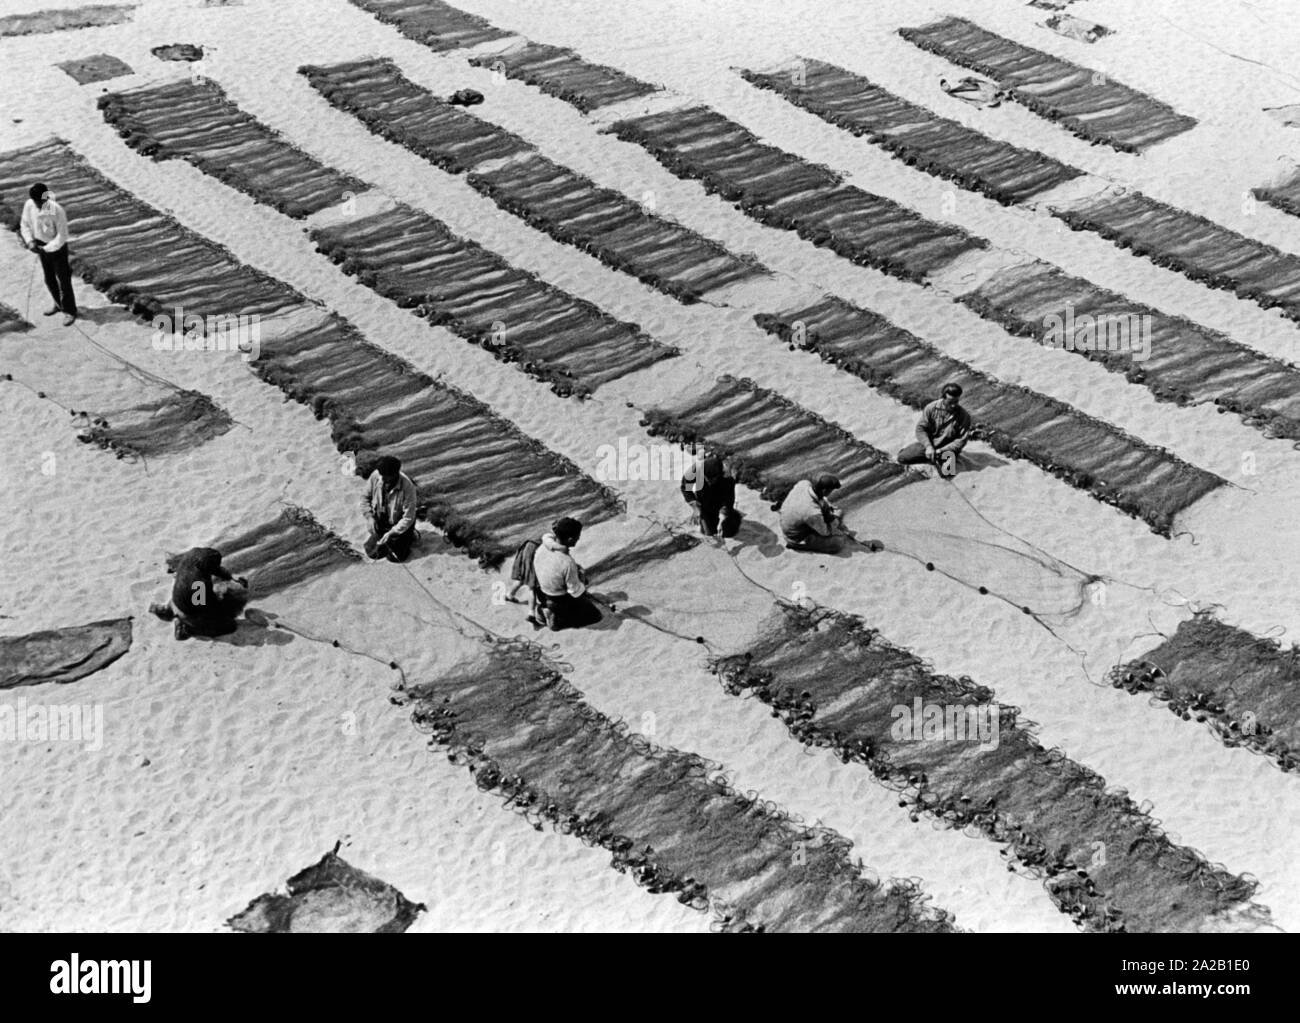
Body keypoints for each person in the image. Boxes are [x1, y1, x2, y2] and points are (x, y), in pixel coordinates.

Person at [149, 547, 249, 640]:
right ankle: (186, 628)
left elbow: (216, 569)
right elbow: (207, 609)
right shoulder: (199, 585)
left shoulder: (192, 555)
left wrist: (231, 577)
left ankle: (168, 610)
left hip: (176, 598)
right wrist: (222, 595)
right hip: (187, 610)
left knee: (185, 591)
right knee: (230, 627)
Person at [20, 182, 77, 326]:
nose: (38, 205)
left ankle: (70, 311)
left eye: (41, 202)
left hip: (57, 248)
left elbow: (62, 236)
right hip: (39, 244)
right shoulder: (29, 205)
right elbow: (24, 224)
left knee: (63, 280)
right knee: (49, 278)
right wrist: (30, 241)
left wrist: (48, 248)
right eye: (36, 202)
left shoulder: (57, 210)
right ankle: (58, 305)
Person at [531, 517, 602, 631]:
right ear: (569, 540)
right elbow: (574, 591)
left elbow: (546, 537)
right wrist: (582, 579)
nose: (578, 539)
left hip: (541, 590)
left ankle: (544, 608)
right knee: (595, 616)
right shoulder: (567, 562)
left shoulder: (544, 546)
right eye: (577, 537)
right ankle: (556, 619)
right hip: (557, 598)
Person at [897, 383, 973, 479]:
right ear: (943, 397)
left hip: (947, 450)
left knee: (948, 474)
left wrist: (941, 451)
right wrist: (928, 446)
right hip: (929, 445)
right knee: (902, 458)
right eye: (950, 402)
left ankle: (935, 459)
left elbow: (960, 441)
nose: (954, 405)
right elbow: (920, 429)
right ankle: (925, 456)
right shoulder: (931, 408)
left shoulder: (964, 416)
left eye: (956, 401)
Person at [362, 455, 418, 562]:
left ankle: (410, 535)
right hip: (382, 520)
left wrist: (392, 532)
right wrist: (369, 517)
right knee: (371, 552)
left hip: (399, 524)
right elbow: (364, 498)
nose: (382, 479)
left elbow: (408, 517)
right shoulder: (376, 475)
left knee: (396, 558)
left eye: (386, 477)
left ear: (395, 474)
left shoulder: (408, 487)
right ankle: (390, 537)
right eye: (381, 475)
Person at [779, 474, 844, 553]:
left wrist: (827, 507)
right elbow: (825, 532)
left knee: (826, 505)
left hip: (791, 523)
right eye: (831, 490)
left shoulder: (803, 483)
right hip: (796, 537)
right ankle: (799, 545)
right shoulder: (812, 512)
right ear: (825, 491)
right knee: (838, 543)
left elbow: (821, 500)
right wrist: (835, 523)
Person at [681, 453, 740, 538]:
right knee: (708, 533)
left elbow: (729, 499)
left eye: (712, 479)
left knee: (726, 531)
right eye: (707, 478)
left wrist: (723, 517)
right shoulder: (695, 470)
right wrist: (695, 506)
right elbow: (685, 487)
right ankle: (704, 519)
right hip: (703, 501)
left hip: (719, 500)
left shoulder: (727, 478)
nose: (709, 481)